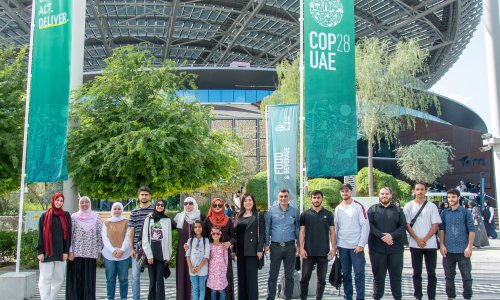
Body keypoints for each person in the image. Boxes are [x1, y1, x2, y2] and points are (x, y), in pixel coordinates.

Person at [403, 182, 441, 300]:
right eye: (417, 189)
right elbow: (407, 225)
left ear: (425, 191)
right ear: (414, 191)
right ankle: (418, 296)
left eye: (422, 189)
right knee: (416, 273)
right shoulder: (408, 206)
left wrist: (424, 239)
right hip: (415, 245)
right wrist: (417, 239)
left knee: (431, 273)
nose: (420, 192)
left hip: (430, 245)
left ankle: (431, 296)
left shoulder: (432, 206)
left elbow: (435, 225)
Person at [368, 187, 406, 300]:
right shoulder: (372, 210)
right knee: (378, 277)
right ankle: (377, 297)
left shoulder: (398, 210)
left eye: (387, 194)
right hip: (377, 249)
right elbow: (369, 226)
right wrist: (382, 236)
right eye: (382, 194)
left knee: (396, 277)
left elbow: (403, 226)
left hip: (396, 249)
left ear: (391, 195)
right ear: (379, 195)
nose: (384, 196)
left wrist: (391, 236)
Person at [334, 183, 369, 300]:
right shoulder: (338, 208)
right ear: (340, 192)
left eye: (347, 191)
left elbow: (365, 226)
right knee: (346, 275)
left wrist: (361, 245)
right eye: (343, 191)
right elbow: (336, 228)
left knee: (359, 275)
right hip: (342, 247)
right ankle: (347, 297)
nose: (345, 193)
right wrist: (335, 246)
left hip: (356, 248)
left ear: (351, 192)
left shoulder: (358, 207)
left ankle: (360, 298)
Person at [299, 190, 336, 300]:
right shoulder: (305, 214)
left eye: (318, 197)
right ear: (311, 199)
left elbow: (332, 232)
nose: (316, 200)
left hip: (323, 252)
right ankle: (303, 298)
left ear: (322, 199)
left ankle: (319, 298)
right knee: (305, 278)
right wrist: (301, 248)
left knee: (322, 279)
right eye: (314, 198)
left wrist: (333, 248)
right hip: (308, 251)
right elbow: (301, 232)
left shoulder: (328, 214)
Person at [439, 188, 475, 300]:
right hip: (448, 250)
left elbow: (472, 230)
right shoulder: (444, 213)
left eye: (453, 197)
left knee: (467, 276)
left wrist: (469, 247)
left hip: (463, 251)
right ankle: (450, 296)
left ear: (458, 198)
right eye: (449, 197)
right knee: (449, 277)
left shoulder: (466, 212)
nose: (451, 199)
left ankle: (467, 297)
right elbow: (442, 230)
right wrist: (441, 245)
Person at [265, 188, 300, 300]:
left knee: (289, 276)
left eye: (285, 196)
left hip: (290, 247)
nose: (283, 198)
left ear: (289, 198)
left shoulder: (295, 211)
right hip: (275, 247)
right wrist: (266, 244)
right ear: (278, 198)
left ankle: (288, 297)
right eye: (281, 196)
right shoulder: (271, 211)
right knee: (273, 275)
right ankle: (271, 297)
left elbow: (298, 229)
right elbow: (267, 229)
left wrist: (299, 245)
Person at [67, 196, 103, 300]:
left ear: (90, 203)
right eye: (82, 202)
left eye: (86, 202)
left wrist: (99, 252)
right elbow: (70, 235)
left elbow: (99, 235)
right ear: (79, 204)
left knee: (88, 280)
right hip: (76, 253)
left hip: (91, 253)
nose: (84, 204)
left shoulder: (96, 217)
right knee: (75, 279)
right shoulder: (74, 217)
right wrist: (70, 251)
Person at [37, 192, 71, 300]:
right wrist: (40, 251)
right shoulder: (45, 215)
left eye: (61, 200)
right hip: (47, 252)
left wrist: (66, 251)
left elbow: (69, 234)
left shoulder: (66, 215)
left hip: (61, 252)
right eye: (57, 200)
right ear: (53, 200)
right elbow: (40, 234)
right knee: (45, 279)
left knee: (59, 279)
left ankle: (51, 298)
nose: (59, 202)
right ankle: (45, 298)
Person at [172, 196, 204, 300]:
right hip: (182, 253)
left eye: (190, 203)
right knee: (183, 274)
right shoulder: (179, 217)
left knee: (198, 275)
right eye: (185, 203)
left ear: (194, 204)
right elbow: (165, 225)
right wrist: (152, 216)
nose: (188, 205)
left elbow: (209, 231)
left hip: (199, 253)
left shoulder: (201, 217)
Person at [235, 193, 265, 300]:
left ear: (253, 202)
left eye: (250, 200)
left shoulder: (258, 215)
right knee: (241, 278)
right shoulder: (239, 216)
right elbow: (236, 234)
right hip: (241, 250)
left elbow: (262, 233)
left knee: (252, 279)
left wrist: (260, 249)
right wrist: (234, 250)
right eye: (245, 200)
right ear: (243, 203)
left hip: (252, 251)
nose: (248, 202)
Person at [204, 198, 235, 299]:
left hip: (224, 255)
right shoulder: (207, 220)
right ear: (211, 207)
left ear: (223, 206)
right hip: (211, 255)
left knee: (225, 279)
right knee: (211, 282)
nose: (217, 207)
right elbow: (202, 236)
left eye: (219, 205)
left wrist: (229, 242)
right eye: (215, 205)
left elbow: (233, 237)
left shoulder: (228, 220)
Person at [142, 200, 172, 300]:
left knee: (160, 280)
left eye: (162, 205)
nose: (159, 206)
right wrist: (149, 255)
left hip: (162, 254)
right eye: (158, 205)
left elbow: (169, 238)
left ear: (164, 207)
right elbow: (145, 238)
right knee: (152, 281)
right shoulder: (149, 219)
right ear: (155, 206)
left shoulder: (167, 219)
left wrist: (168, 255)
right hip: (152, 253)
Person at [129, 186, 154, 300]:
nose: (144, 196)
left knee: (153, 277)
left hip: (152, 248)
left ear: (150, 196)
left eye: (146, 194)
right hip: (137, 248)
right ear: (138, 197)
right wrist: (131, 248)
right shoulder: (134, 212)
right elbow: (131, 230)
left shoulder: (154, 211)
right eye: (142, 194)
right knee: (135, 276)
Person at [102, 202, 130, 300]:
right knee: (110, 279)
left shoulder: (126, 222)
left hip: (124, 254)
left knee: (123, 279)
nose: (117, 211)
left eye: (119, 209)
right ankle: (110, 298)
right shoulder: (106, 222)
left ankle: (124, 298)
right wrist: (113, 250)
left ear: (122, 210)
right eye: (115, 209)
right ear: (112, 210)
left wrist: (122, 250)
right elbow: (104, 239)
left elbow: (128, 237)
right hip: (109, 255)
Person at [186, 220, 210, 300]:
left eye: (199, 227)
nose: (197, 229)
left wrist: (199, 267)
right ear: (193, 229)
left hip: (202, 269)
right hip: (192, 269)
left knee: (202, 289)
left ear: (202, 228)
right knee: (195, 289)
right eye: (195, 227)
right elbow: (187, 255)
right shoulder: (190, 240)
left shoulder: (205, 240)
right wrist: (191, 268)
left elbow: (206, 256)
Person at [207, 226, 229, 300]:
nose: (215, 235)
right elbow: (208, 258)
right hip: (212, 271)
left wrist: (224, 269)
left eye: (217, 233)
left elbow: (226, 259)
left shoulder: (223, 246)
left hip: (221, 271)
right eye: (213, 233)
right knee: (213, 291)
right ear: (211, 235)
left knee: (222, 290)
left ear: (220, 235)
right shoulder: (209, 246)